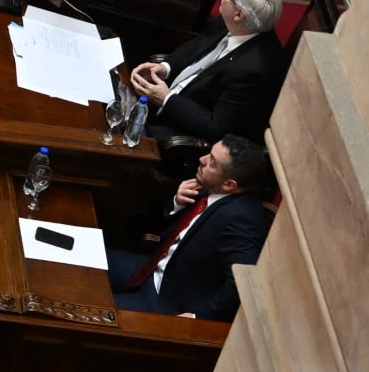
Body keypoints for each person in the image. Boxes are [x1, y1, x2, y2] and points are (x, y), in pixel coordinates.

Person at [110, 137, 276, 321]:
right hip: (150, 270)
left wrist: (200, 316)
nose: (202, 159)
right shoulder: (211, 185)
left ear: (230, 184)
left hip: (167, 300)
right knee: (81, 256)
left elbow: (241, 282)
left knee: (91, 310)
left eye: (211, 161)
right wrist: (177, 203)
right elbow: (168, 232)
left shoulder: (241, 219)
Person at [128, 0, 289, 145]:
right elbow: (197, 45)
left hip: (177, 130)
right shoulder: (234, 22)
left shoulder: (255, 72)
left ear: (239, 14)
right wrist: (166, 67)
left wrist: (166, 99)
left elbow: (216, 128)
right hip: (163, 97)